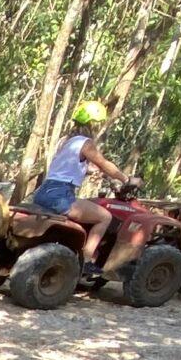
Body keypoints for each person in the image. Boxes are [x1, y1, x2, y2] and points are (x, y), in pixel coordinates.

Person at [31, 101, 121, 266]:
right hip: (61, 194)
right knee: (105, 217)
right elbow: (104, 164)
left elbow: (66, 167)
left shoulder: (67, 141)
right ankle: (85, 261)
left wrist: (90, 172)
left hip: (44, 191)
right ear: (92, 123)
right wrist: (126, 179)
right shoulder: (86, 143)